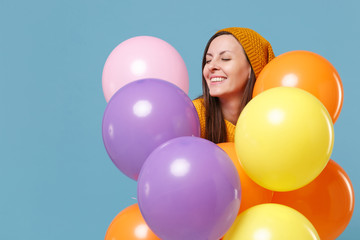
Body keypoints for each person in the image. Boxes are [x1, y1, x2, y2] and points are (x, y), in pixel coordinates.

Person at [193, 27, 275, 143]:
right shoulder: (193, 115)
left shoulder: (273, 120)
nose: (211, 66)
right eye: (208, 60)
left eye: (225, 58)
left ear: (252, 68)